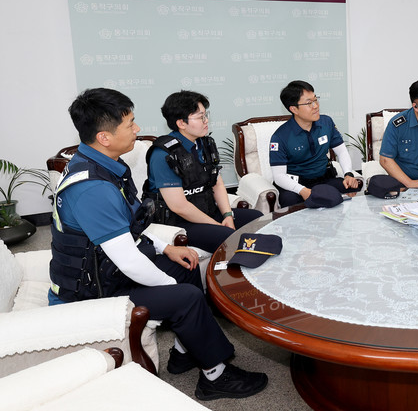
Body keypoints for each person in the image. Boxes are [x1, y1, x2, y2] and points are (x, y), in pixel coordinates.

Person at [48, 88, 268, 401]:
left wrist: (166, 249)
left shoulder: (105, 167)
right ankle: (215, 377)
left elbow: (131, 227)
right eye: (130, 124)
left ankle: (183, 353)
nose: (137, 129)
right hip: (90, 292)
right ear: (104, 137)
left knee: (187, 263)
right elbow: (128, 260)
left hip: (105, 269)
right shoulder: (92, 188)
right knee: (186, 295)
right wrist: (170, 287)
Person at [144, 91, 262, 253]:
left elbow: (217, 184)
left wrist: (227, 215)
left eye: (206, 115)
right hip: (180, 222)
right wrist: (217, 225)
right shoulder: (163, 155)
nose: (206, 121)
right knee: (229, 238)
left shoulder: (205, 144)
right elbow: (179, 207)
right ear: (181, 123)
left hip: (208, 211)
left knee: (257, 219)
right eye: (200, 117)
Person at [270, 80, 361, 207]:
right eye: (309, 103)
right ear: (294, 109)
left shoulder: (326, 123)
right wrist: (303, 191)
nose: (315, 106)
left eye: (315, 100)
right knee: (290, 200)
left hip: (324, 179)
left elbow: (341, 151)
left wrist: (348, 174)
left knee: (350, 187)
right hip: (296, 185)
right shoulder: (280, 137)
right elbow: (279, 176)